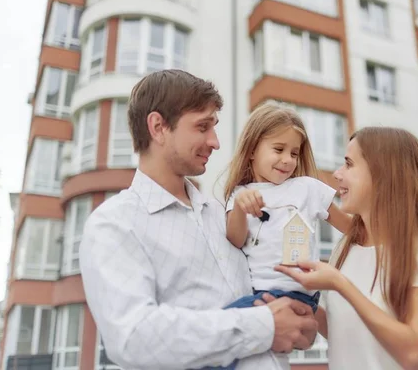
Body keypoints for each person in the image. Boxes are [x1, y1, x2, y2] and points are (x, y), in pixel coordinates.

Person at [79, 70, 318, 370]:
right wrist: (265, 326)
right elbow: (134, 337)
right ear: (158, 127)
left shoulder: (225, 216)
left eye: (214, 127)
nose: (215, 142)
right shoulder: (114, 225)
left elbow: (271, 298)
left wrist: (300, 323)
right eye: (202, 127)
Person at [276, 127, 418, 370]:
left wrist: (340, 284)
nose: (337, 175)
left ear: (383, 173)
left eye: (349, 164)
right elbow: (343, 332)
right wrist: (292, 296)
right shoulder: (346, 248)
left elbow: (413, 354)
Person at [215, 103, 351, 370]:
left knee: (218, 333)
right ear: (252, 149)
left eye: (294, 153)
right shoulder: (241, 193)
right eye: (278, 150)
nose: (288, 160)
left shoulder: (306, 189)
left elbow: (351, 227)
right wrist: (241, 208)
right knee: (229, 348)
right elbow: (235, 239)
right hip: (263, 296)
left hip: (293, 292)